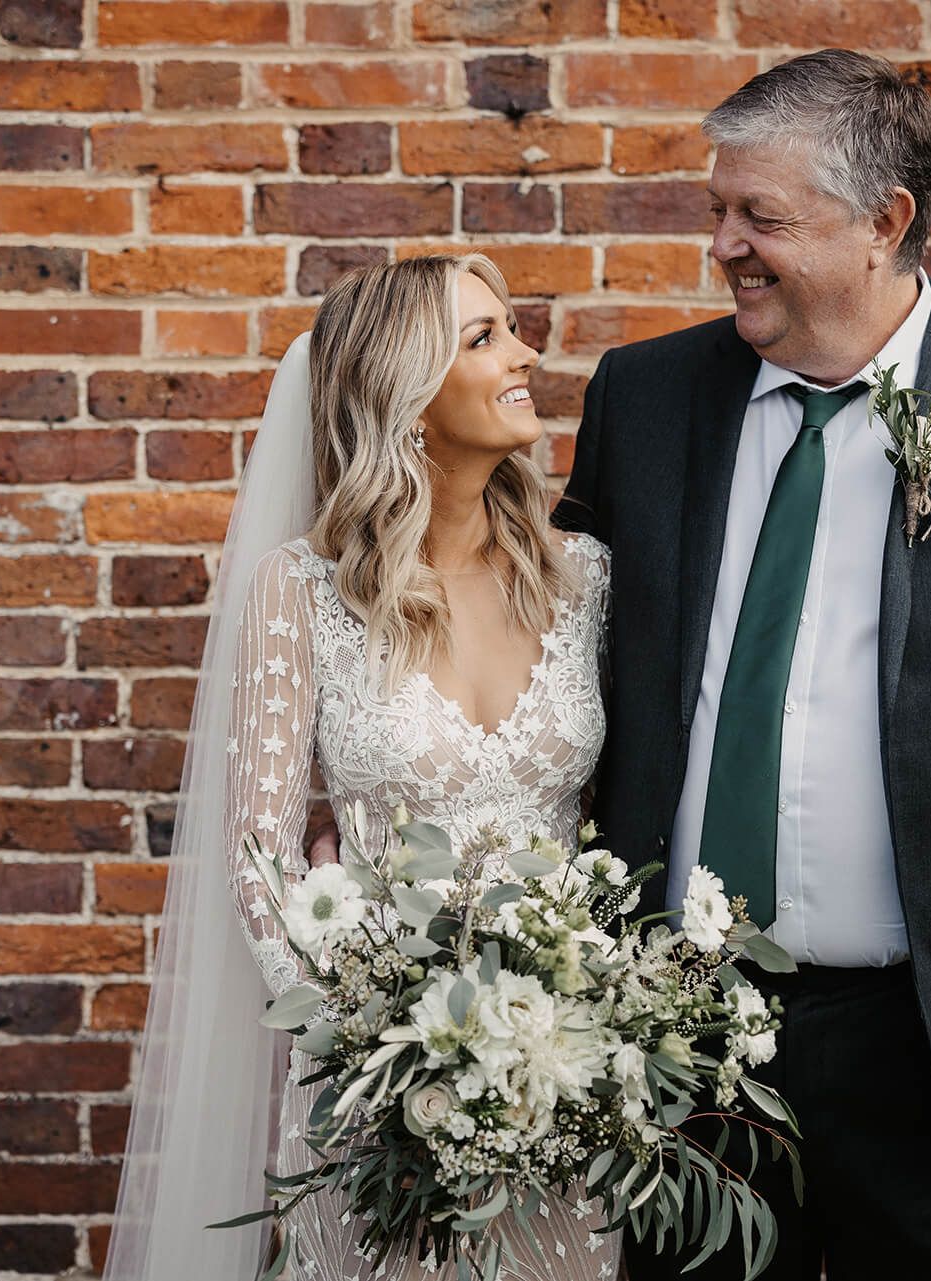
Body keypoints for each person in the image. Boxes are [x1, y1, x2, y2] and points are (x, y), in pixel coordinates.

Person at [103, 253, 618, 1280]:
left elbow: (618, 819)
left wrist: (592, 1022)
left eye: (512, 329)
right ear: (407, 395)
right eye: (485, 339)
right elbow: (258, 856)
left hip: (563, 1083)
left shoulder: (584, 577)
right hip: (379, 1094)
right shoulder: (303, 591)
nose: (525, 355)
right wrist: (374, 1040)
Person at [554, 48, 931, 1281]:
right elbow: (553, 648)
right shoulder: (645, 398)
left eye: (761, 216)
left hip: (910, 1036)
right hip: (684, 1030)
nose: (724, 246)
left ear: (885, 224)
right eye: (718, 209)